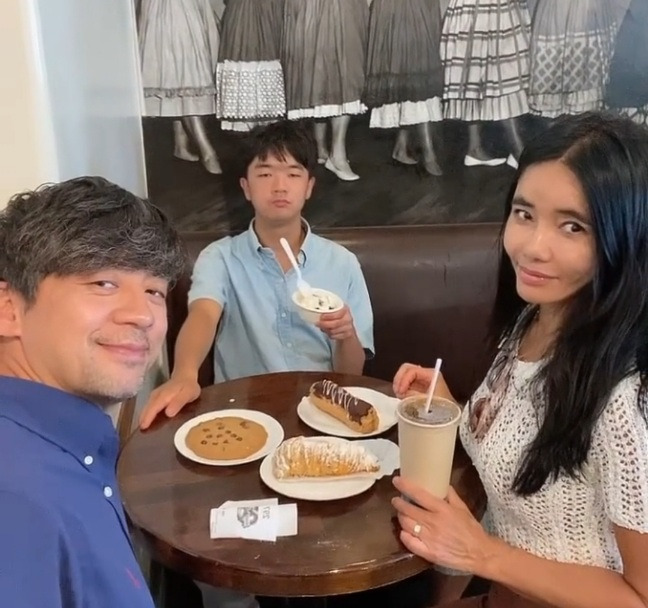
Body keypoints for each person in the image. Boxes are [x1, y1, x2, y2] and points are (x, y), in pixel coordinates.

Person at [391, 112, 648, 607]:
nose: (532, 247)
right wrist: (458, 413)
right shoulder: (532, 319)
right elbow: (522, 455)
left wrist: (482, 554)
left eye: (572, 226)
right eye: (524, 213)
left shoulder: (626, 401)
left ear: (626, 237)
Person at [0, 177, 186, 607]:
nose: (142, 315)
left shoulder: (71, 447)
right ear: (9, 309)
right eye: (103, 283)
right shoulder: (15, 502)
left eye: (154, 291)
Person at [139, 119, 373, 427]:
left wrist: (345, 335)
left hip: (322, 413)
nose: (279, 186)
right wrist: (184, 374)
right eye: (265, 174)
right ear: (246, 187)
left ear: (309, 187)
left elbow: (351, 374)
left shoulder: (342, 263)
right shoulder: (220, 258)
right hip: (244, 412)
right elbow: (203, 315)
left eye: (293, 174)